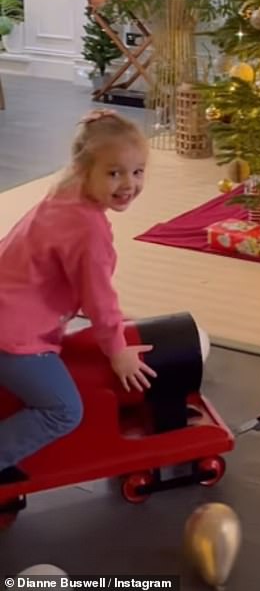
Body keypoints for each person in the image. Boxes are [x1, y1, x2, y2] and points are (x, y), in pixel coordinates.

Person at [0, 109, 157, 484]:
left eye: (137, 172)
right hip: (14, 336)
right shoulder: (89, 230)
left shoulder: (60, 197)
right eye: (114, 172)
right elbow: (99, 300)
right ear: (84, 169)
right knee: (64, 410)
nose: (128, 184)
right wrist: (118, 351)